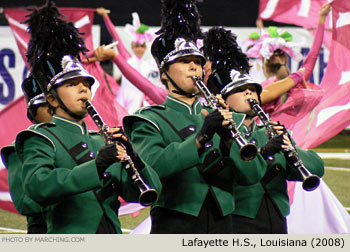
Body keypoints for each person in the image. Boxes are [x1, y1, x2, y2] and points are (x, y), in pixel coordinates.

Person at [14, 1, 161, 234]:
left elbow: (147, 191)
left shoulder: (99, 140)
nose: (83, 89)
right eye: (72, 85)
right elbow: (38, 187)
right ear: (52, 99)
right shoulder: (40, 138)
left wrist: (133, 155)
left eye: (85, 84)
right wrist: (97, 165)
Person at [123, 0, 266, 234]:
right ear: (164, 75)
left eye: (198, 62)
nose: (193, 67)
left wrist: (230, 139)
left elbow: (254, 175)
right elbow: (155, 166)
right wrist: (201, 137)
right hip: (175, 222)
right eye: (184, 61)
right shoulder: (149, 120)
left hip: (223, 223)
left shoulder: (229, 118)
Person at [203, 28, 325, 233]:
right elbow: (232, 172)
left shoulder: (268, 131)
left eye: (252, 88)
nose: (249, 91)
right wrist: (265, 152)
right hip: (236, 222)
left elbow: (317, 168)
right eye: (240, 90)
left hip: (276, 218)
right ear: (223, 100)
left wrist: (289, 148)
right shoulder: (217, 133)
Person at [245, 3, 331, 129]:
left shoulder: (262, 90)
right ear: (285, 59)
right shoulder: (296, 82)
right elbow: (313, 54)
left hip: (268, 139)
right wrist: (322, 19)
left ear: (265, 64)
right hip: (293, 139)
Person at [1, 75, 51, 234]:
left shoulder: (84, 137)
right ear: (33, 112)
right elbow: (25, 202)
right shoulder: (20, 148)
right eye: (45, 105)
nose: (53, 109)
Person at [96, 8, 162, 113]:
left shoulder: (148, 64)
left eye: (141, 46)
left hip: (138, 100)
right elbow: (115, 36)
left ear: (145, 48)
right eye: (137, 46)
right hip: (124, 97)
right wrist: (105, 17)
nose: (139, 49)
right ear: (132, 47)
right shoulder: (128, 58)